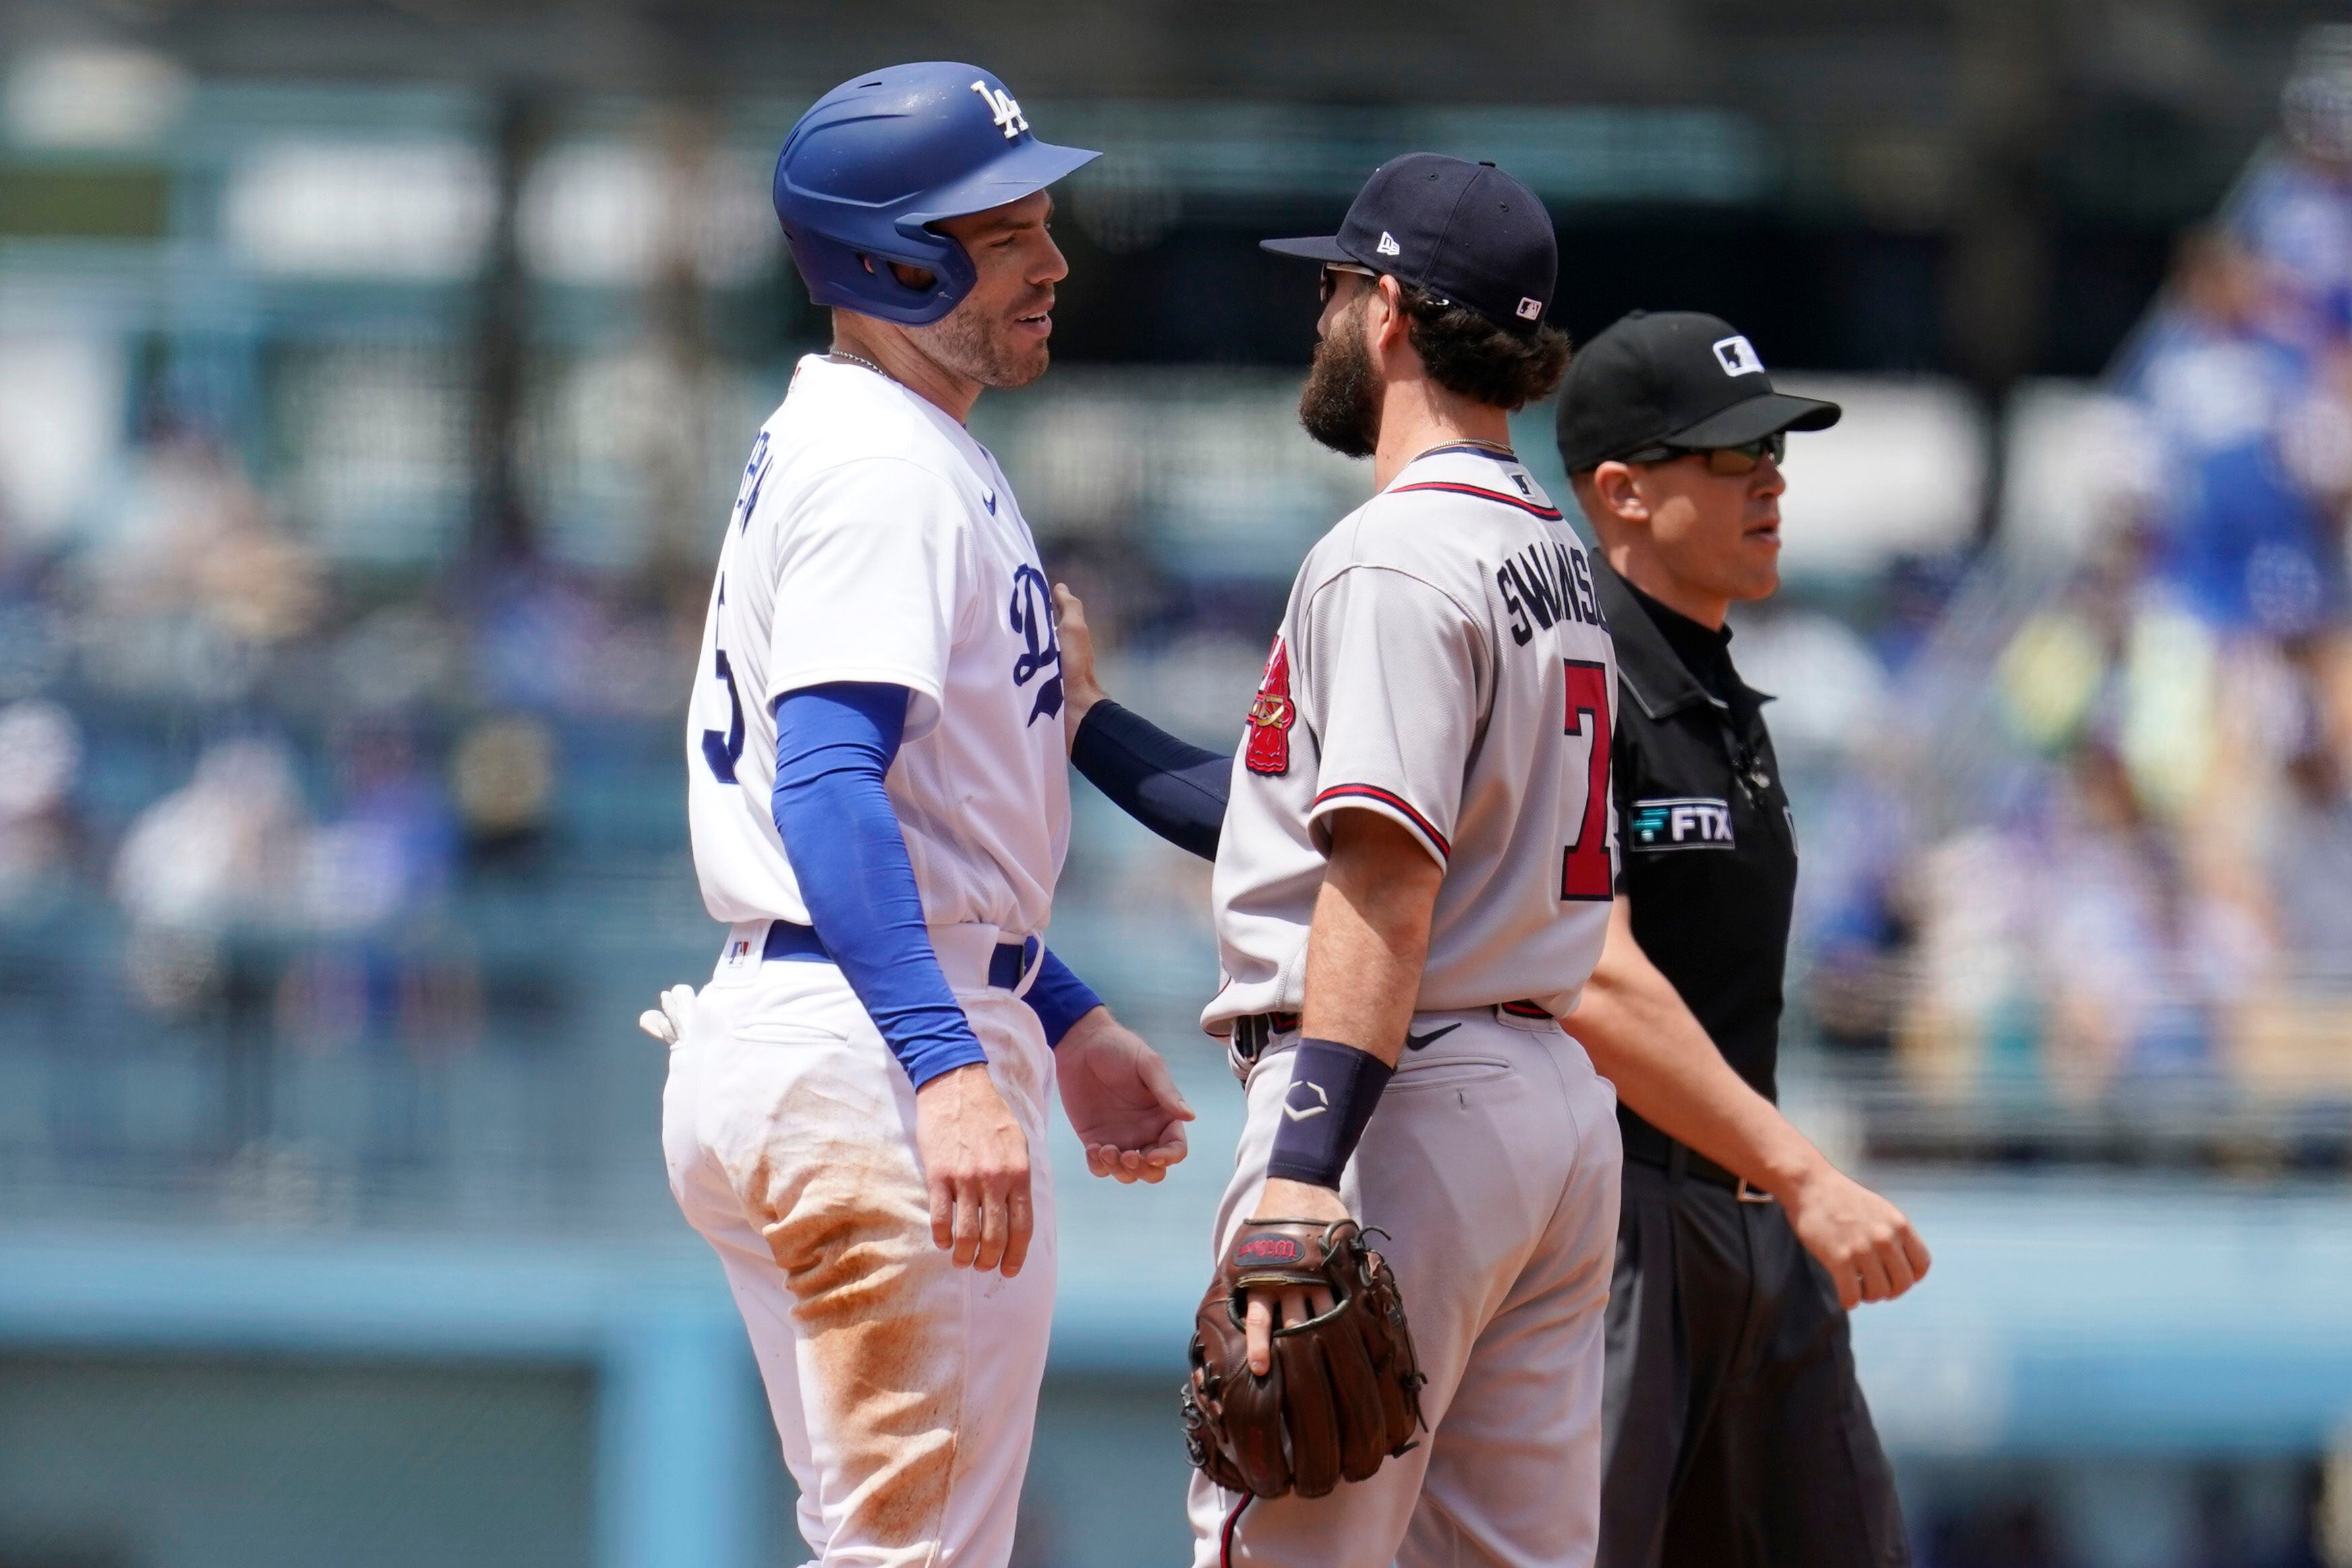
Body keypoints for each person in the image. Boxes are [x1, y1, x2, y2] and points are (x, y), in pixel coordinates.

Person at [1056, 305, 1931, 1568]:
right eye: (1737, 458)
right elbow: (1366, 853)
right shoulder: (1565, 621)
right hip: (1615, 1193)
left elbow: (1363, 843)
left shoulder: (1690, 679)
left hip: (1615, 1184)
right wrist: (1096, 727)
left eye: (1776, 456)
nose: (1772, 484)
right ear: (1622, 491)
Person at [652, 63, 1194, 1568]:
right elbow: (826, 782)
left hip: (825, 1025)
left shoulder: (884, 440)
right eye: (1006, 231)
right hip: (868, 1056)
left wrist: (1066, 1015)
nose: (1053, 260)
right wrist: (947, 1063)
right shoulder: (886, 465)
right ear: (896, 258)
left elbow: (919, 811)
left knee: (888, 1545)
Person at [1175, 152, 1623, 1568]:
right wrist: (1095, 724)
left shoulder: (1387, 556)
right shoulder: (1550, 550)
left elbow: (1383, 879)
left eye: (1330, 286)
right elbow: (1333, 823)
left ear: (1385, 309)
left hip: (1393, 1099)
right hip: (1548, 1105)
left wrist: (1308, 1160)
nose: (1320, 317)